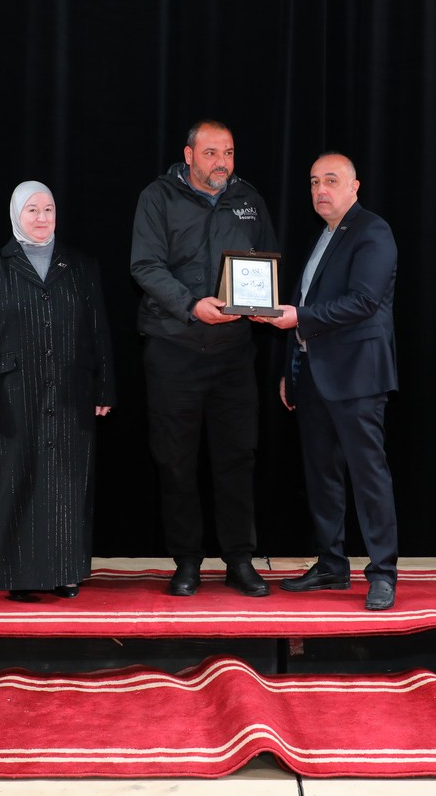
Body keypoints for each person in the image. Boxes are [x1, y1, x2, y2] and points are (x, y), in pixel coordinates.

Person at [130, 120, 278, 598]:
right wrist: (191, 305)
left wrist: (261, 302)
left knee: (238, 457)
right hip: (175, 350)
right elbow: (145, 265)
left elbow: (268, 259)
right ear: (189, 155)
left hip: (233, 355)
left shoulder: (249, 199)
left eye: (229, 152)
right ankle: (187, 561)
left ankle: (240, 560)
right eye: (211, 152)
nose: (222, 162)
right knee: (176, 461)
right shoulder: (157, 197)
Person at [253, 152, 399, 610]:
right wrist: (290, 369)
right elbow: (304, 307)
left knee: (368, 476)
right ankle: (332, 564)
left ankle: (383, 573)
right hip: (313, 375)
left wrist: (298, 317)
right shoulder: (324, 236)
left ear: (355, 187)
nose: (320, 190)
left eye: (331, 180)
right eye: (315, 181)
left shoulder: (372, 231)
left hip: (357, 376)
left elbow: (363, 302)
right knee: (322, 477)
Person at [0, 180, 115, 602]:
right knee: (16, 479)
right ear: (17, 214)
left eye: (48, 209)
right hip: (12, 394)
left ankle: (66, 572)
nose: (42, 217)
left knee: (67, 481)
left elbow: (99, 331)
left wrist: (105, 386)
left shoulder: (81, 266)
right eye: (33, 210)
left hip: (71, 391)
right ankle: (19, 575)